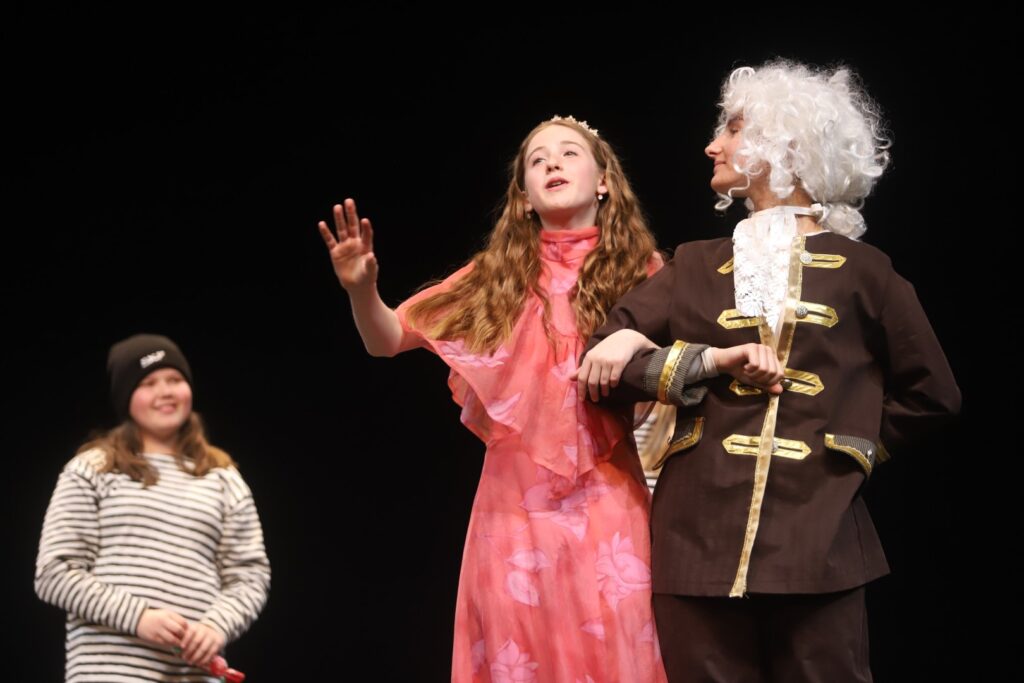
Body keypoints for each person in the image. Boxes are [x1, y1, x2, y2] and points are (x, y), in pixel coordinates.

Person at [578, 61, 962, 681]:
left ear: (785, 145)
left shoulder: (866, 272)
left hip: (821, 541)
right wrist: (697, 362)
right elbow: (602, 371)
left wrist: (850, 450)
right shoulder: (694, 264)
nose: (713, 145)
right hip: (694, 542)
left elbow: (933, 393)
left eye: (732, 129)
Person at [319, 115, 667, 682]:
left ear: (604, 180)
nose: (552, 163)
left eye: (569, 153)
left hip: (609, 502)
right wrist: (362, 290)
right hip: (513, 511)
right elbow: (387, 340)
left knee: (622, 653)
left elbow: (688, 358)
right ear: (524, 196)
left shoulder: (645, 271)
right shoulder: (495, 277)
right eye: (537, 160)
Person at [35, 334, 271, 682]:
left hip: (193, 676)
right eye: (148, 383)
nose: (165, 391)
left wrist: (216, 627)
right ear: (126, 396)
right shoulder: (94, 468)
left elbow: (249, 576)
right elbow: (54, 572)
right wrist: (139, 617)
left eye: (174, 379)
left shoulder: (222, 478)